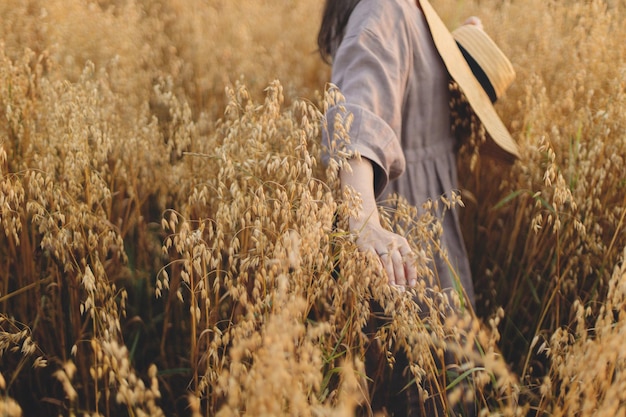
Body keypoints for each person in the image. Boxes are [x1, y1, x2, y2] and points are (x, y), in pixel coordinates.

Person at [318, 0, 518, 415]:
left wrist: (453, 58)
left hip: (430, 237)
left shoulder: (407, 8)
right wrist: (364, 220)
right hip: (405, 249)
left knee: (441, 380)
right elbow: (355, 116)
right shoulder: (384, 9)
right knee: (421, 387)